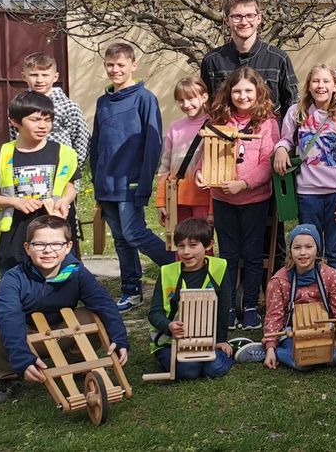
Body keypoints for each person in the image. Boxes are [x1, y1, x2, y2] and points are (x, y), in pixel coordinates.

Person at [0, 215, 128, 405]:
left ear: (68, 246)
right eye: (39, 244)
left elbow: (104, 303)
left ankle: (76, 363)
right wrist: (21, 357)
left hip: (61, 331)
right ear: (27, 247)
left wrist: (119, 338)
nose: (48, 250)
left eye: (56, 244)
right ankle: (8, 377)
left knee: (96, 316)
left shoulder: (76, 272)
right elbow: (9, 317)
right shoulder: (13, 278)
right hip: (27, 333)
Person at [89, 43, 172, 311]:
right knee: (121, 240)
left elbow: (153, 144)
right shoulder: (103, 102)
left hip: (131, 182)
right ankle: (131, 290)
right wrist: (96, 180)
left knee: (135, 233)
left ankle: (182, 269)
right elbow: (96, 144)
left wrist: (145, 182)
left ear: (133, 66)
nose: (115, 69)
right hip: (106, 184)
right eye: (110, 65)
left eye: (121, 65)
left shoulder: (144, 99)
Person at [200, 67, 280, 329]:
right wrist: (202, 174)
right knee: (228, 255)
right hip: (223, 200)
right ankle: (229, 306)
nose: (242, 96)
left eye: (248, 90)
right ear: (229, 92)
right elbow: (207, 155)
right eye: (237, 91)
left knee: (253, 255)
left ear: (258, 92)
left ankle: (250, 306)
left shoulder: (267, 123)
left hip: (254, 200)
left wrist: (244, 184)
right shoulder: (218, 120)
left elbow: (267, 163)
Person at [0, 92, 80, 273]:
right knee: (17, 284)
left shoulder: (65, 153)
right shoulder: (1, 155)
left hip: (57, 235)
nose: (43, 126)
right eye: (35, 120)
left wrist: (65, 200)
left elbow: (70, 187)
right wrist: (15, 201)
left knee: (62, 284)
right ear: (14, 122)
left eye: (47, 120)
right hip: (17, 235)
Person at [273, 65, 336, 275]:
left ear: (335, 86)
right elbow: (286, 139)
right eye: (316, 81)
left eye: (326, 81)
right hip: (307, 195)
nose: (321, 86)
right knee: (310, 249)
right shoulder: (296, 113)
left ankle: (334, 291)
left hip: (335, 194)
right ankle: (310, 289)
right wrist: (281, 149)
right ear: (309, 85)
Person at [236, 224, 336, 370]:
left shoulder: (331, 275)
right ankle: (271, 351)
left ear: (317, 249)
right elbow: (274, 316)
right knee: (303, 361)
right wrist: (271, 345)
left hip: (324, 331)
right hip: (292, 333)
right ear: (290, 251)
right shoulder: (279, 280)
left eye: (308, 247)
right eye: (297, 247)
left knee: (335, 357)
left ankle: (285, 353)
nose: (303, 253)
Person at [11, 52, 89, 250]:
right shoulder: (19, 106)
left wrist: (70, 168)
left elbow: (81, 139)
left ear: (55, 77)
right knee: (30, 220)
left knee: (62, 220)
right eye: (34, 75)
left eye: (45, 75)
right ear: (24, 76)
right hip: (29, 174)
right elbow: (14, 137)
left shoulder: (68, 107)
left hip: (61, 176)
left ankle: (67, 257)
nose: (39, 80)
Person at [146, 218, 234, 380]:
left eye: (193, 245)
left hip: (206, 339)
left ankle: (229, 352)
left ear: (209, 245)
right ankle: (192, 362)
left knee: (213, 369)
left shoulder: (219, 267)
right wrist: (169, 326)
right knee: (189, 371)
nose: (186, 252)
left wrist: (221, 340)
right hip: (170, 342)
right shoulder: (167, 272)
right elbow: (154, 313)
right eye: (181, 246)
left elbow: (223, 307)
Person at [199, 0, 298, 116]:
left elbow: (292, 106)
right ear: (227, 20)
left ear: (259, 18)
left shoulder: (278, 59)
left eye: (250, 16)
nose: (244, 22)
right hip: (224, 128)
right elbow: (205, 106)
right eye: (237, 16)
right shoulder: (212, 60)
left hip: (270, 128)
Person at [156, 78, 214, 236]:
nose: (186, 104)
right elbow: (164, 167)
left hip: (203, 199)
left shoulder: (215, 126)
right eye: (181, 100)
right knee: (180, 243)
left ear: (204, 97)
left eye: (191, 98)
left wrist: (212, 209)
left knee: (201, 243)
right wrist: (161, 201)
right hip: (176, 198)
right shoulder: (175, 127)